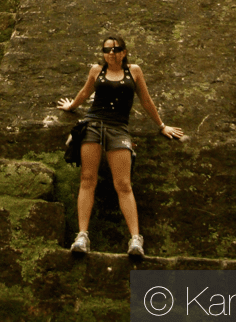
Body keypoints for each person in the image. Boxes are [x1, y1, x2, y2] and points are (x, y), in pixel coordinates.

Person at [57, 35, 183, 257]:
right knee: (87, 179)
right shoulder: (96, 70)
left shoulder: (134, 71)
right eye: (106, 50)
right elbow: (85, 93)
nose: (111, 54)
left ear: (124, 52)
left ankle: (135, 239)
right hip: (94, 124)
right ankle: (82, 236)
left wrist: (162, 125)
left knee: (123, 184)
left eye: (116, 49)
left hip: (118, 128)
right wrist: (71, 106)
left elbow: (145, 100)